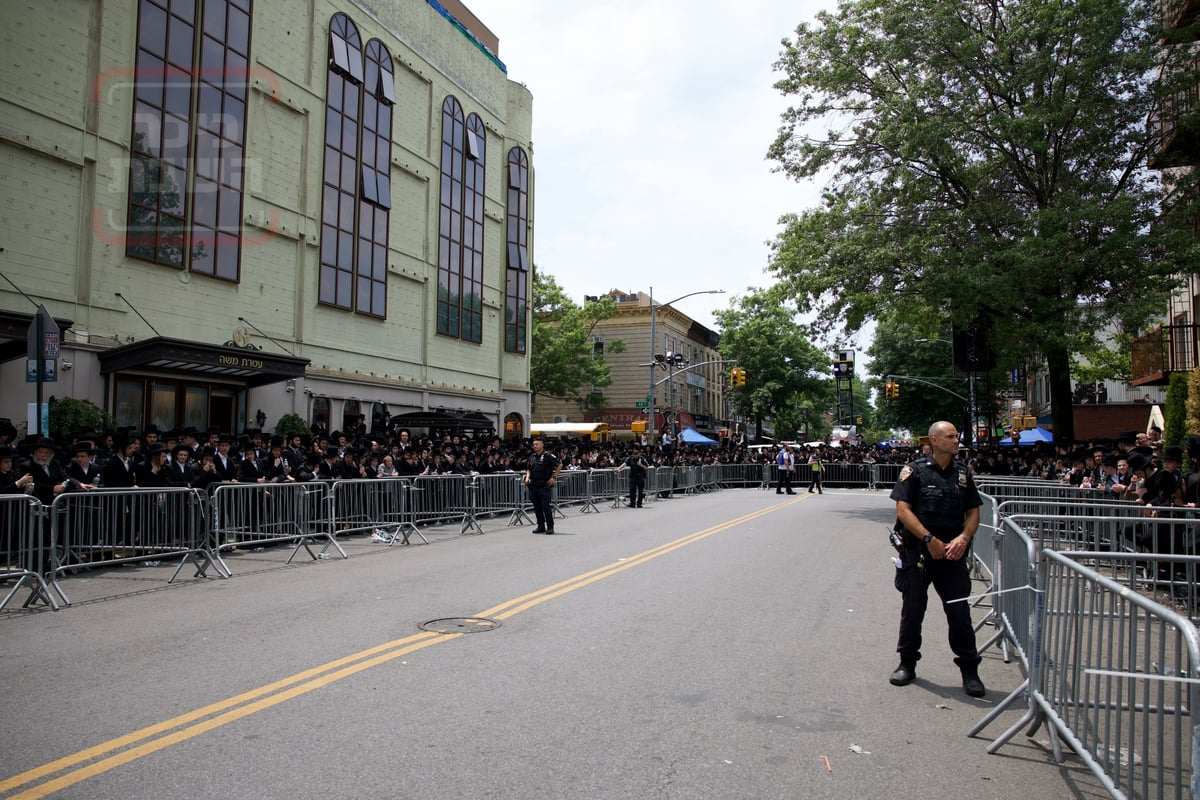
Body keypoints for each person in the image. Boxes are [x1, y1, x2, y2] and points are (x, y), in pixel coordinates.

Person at [888, 421, 986, 698]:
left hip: (952, 554)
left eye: (957, 437)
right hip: (919, 552)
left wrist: (963, 539)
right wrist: (929, 540)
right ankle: (907, 663)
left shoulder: (963, 473)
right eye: (950, 436)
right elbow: (903, 511)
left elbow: (973, 513)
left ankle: (969, 670)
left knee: (959, 614)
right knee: (913, 610)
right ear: (934, 440)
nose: (956, 441)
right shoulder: (914, 471)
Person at [524, 438, 560, 534]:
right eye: (534, 444)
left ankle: (550, 526)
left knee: (545, 506)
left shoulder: (548, 455)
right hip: (533, 485)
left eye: (537, 444)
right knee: (537, 507)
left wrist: (554, 477)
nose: (535, 446)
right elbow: (528, 469)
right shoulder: (532, 456)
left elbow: (559, 465)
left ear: (542, 445)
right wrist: (527, 477)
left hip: (544, 485)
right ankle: (540, 525)